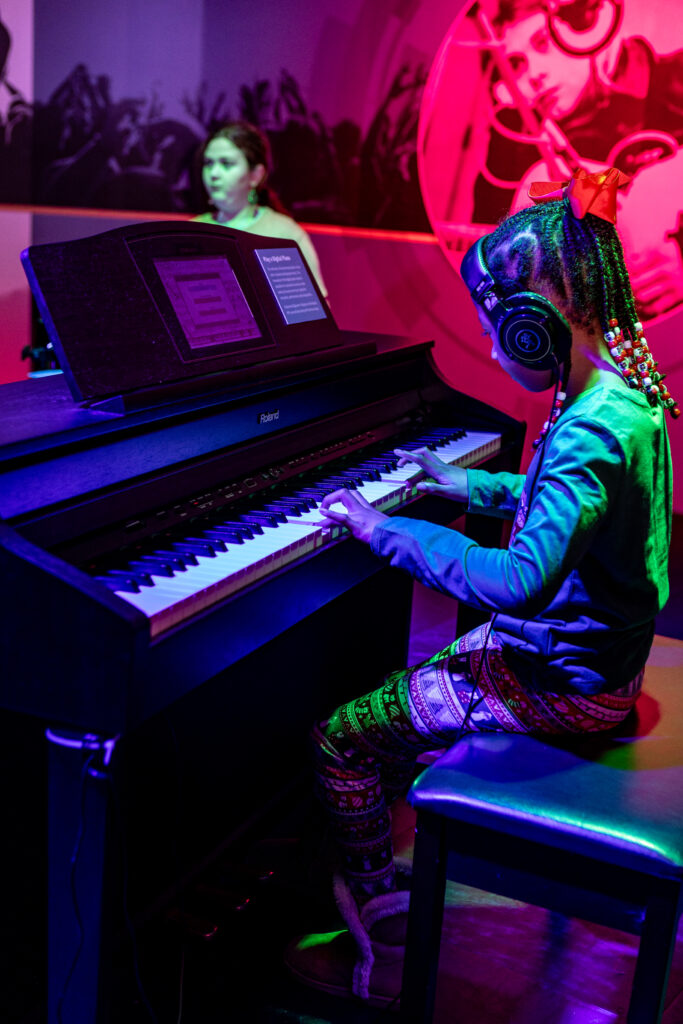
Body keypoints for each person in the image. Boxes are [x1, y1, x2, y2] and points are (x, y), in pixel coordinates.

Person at [284, 166, 677, 1005]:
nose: (497, 353)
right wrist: (460, 484)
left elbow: (520, 579)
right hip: (596, 661)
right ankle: (397, 877)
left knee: (341, 736)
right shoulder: (620, 398)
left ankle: (382, 943)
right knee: (406, 697)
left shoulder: (588, 430)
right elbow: (559, 512)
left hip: (564, 684)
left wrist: (383, 528)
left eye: (501, 334)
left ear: (537, 326)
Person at [470, 0, 683, 319]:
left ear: (587, 21)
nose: (535, 76)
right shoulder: (516, 153)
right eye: (516, 65)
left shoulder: (674, 83)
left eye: (543, 42)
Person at [193, 120, 328, 300]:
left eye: (226, 164)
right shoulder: (192, 230)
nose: (214, 174)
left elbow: (314, 308)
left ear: (256, 175)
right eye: (209, 163)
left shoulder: (284, 234)